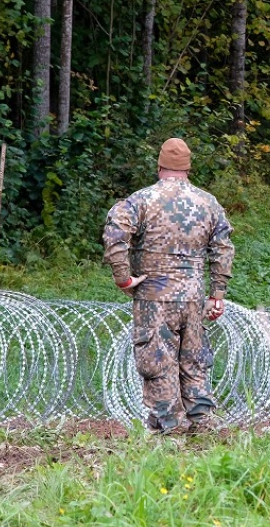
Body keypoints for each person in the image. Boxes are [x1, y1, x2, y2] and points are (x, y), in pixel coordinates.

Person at [102, 138, 235, 435]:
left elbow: (114, 235)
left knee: (157, 362)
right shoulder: (208, 202)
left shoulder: (141, 200)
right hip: (193, 297)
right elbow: (223, 248)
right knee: (194, 362)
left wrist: (124, 277)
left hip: (155, 297)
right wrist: (217, 294)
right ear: (188, 167)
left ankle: (170, 427)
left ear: (160, 165)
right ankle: (201, 424)